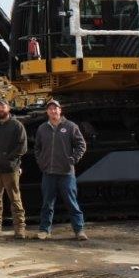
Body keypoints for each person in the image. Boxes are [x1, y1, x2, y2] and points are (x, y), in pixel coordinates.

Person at [34, 99, 88, 240]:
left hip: (66, 173)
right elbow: (37, 148)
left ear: (60, 110)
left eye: (55, 108)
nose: (53, 111)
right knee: (47, 203)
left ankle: (79, 230)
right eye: (50, 109)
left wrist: (73, 159)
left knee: (71, 202)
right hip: (49, 173)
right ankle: (44, 230)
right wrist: (42, 162)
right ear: (47, 111)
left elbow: (81, 145)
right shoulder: (42, 128)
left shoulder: (70, 126)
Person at [0, 97, 27, 238]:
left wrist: (8, 159)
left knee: (15, 198)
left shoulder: (17, 126)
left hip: (9, 169)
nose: (0, 109)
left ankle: (20, 228)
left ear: (8, 108)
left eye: (3, 106)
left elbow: (22, 147)